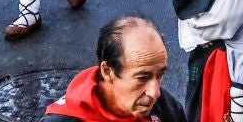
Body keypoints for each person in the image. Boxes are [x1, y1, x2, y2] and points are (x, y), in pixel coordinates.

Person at [46, 15, 188, 122]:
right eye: (142, 78)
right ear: (107, 71)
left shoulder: (167, 109)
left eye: (159, 75)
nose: (155, 93)